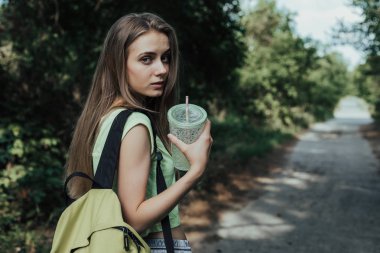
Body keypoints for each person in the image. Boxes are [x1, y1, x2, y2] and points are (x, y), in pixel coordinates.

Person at [64, 12, 213, 252]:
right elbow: (135, 218)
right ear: (117, 63)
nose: (162, 69)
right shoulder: (136, 124)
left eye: (166, 58)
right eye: (146, 59)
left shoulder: (103, 118)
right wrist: (195, 171)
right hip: (157, 245)